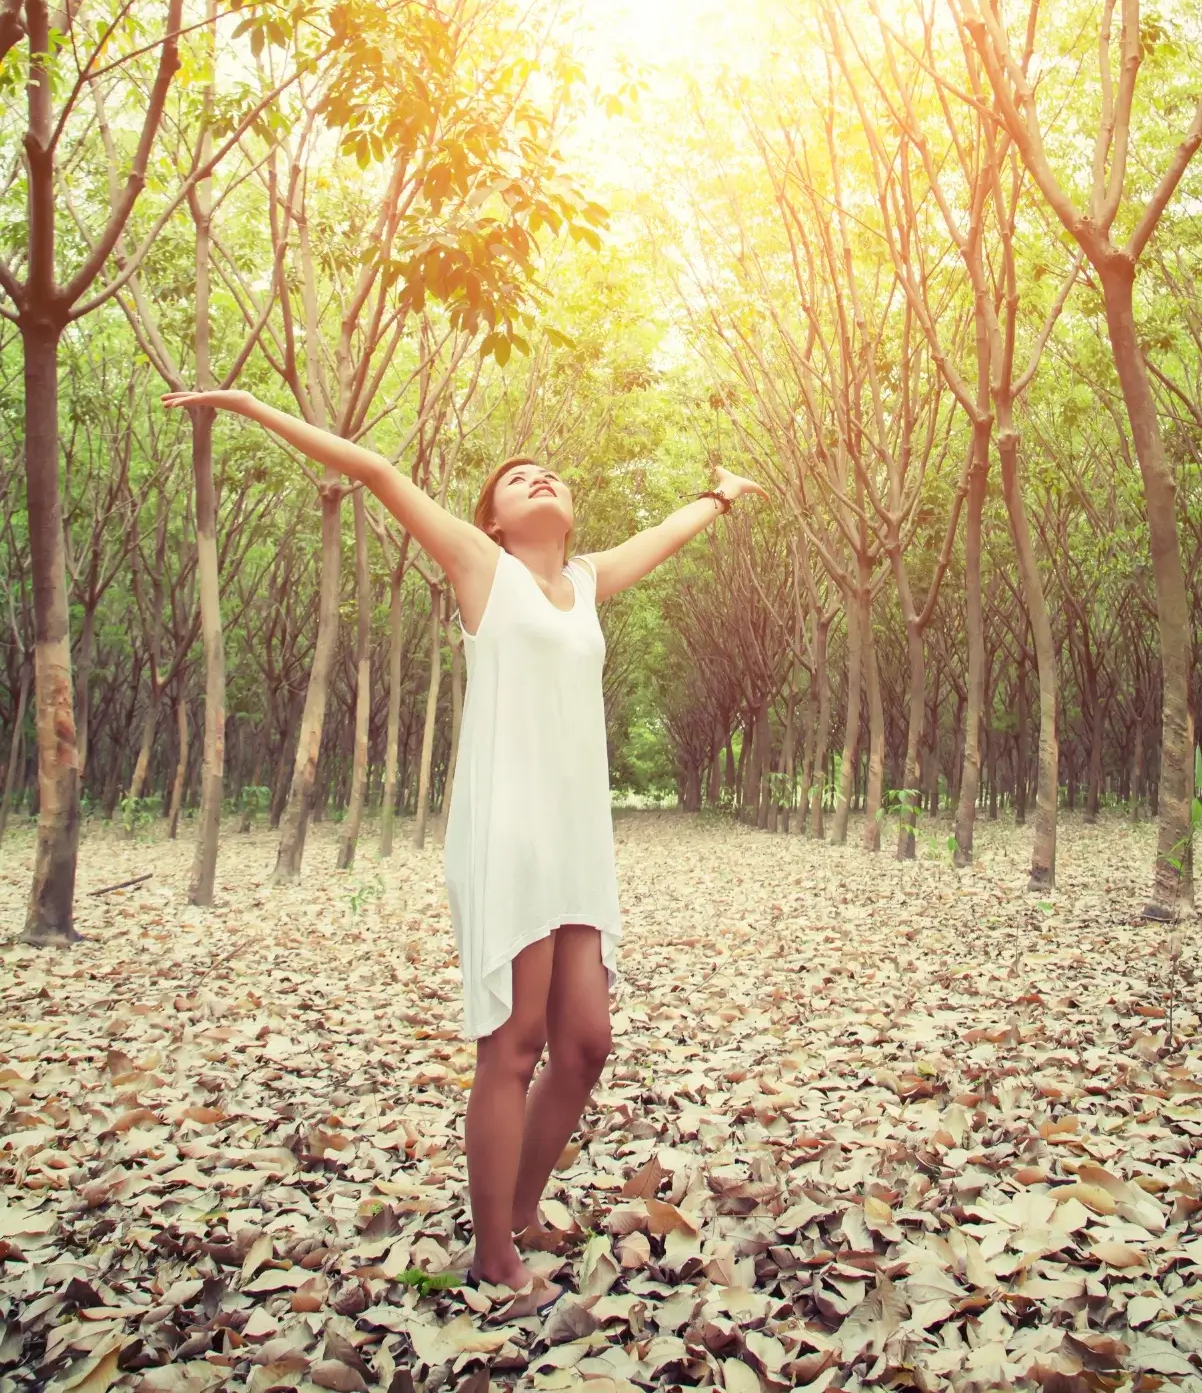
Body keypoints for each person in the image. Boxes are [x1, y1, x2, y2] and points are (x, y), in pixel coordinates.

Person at [163, 386, 763, 1315]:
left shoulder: (590, 583)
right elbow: (372, 468)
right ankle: (491, 1252)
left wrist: (720, 494)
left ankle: (517, 1215)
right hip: (509, 827)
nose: (540, 480)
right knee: (514, 1043)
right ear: (492, 516)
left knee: (587, 1045)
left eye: (549, 475)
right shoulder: (483, 567)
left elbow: (667, 535)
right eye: (518, 479)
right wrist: (245, 404)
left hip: (577, 836)